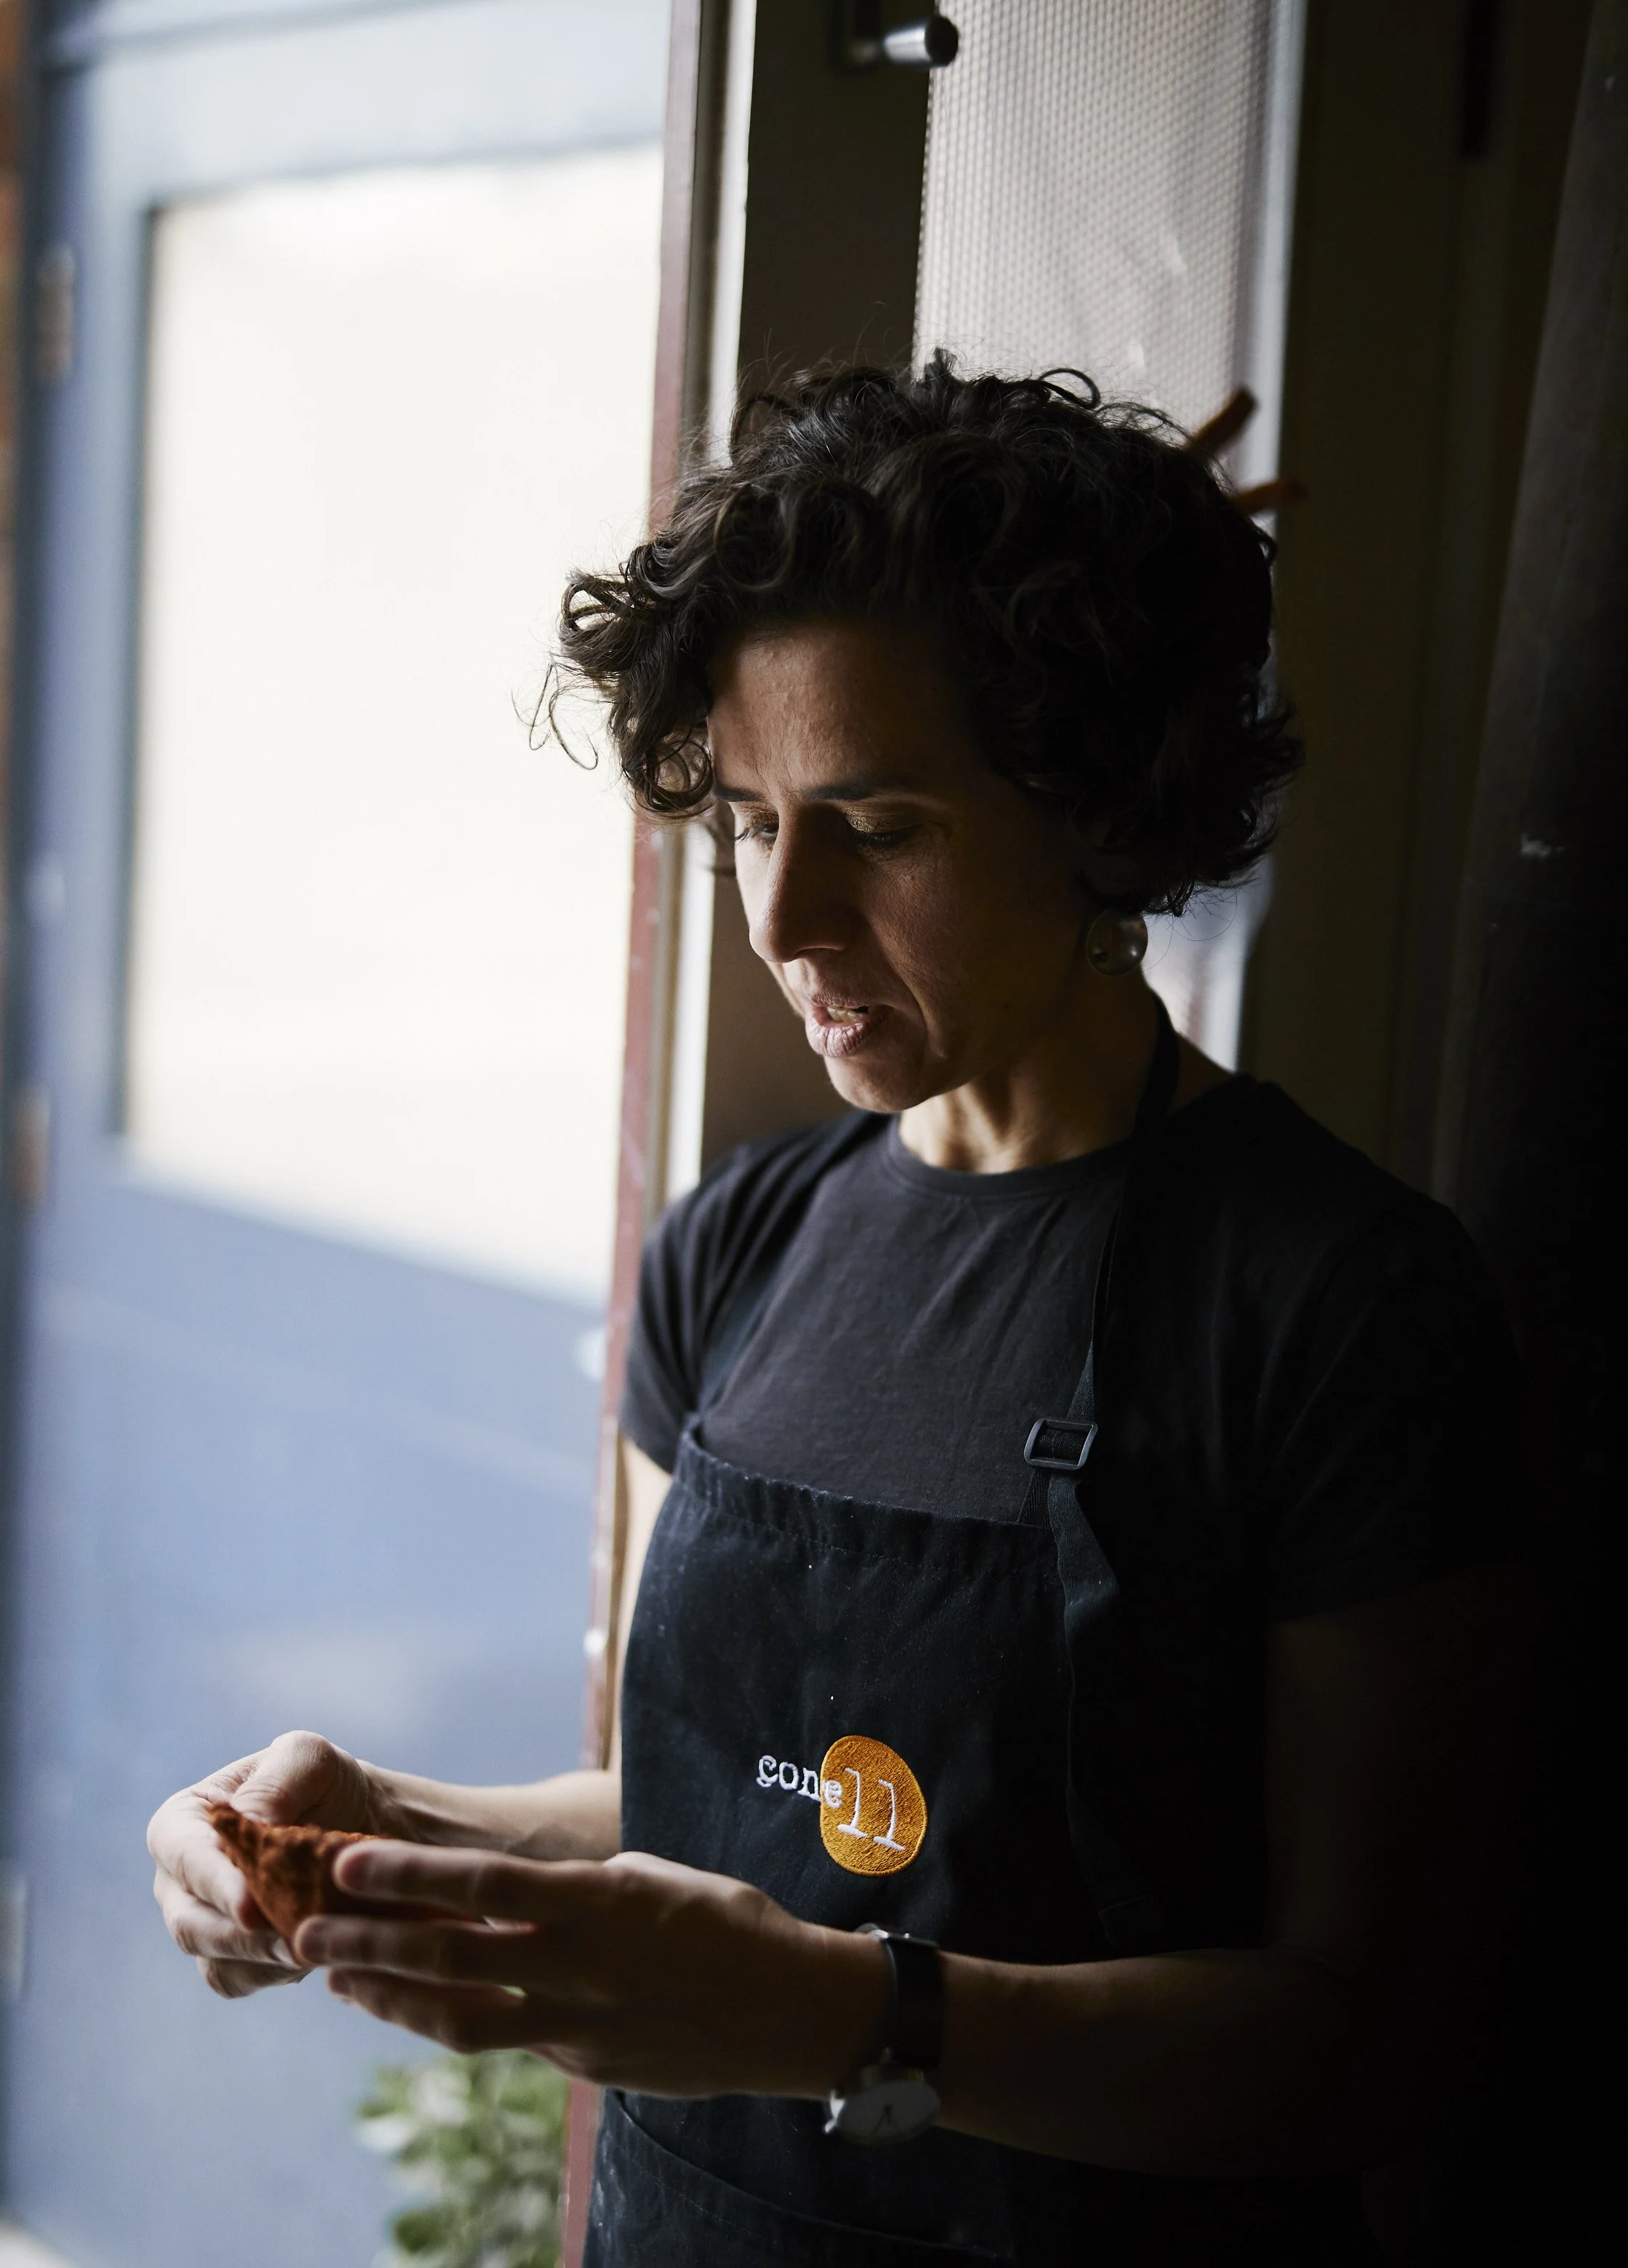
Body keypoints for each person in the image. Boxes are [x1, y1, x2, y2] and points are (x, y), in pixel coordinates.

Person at [150, 361, 1526, 2264]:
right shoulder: (742, 1249)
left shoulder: (1333, 1306)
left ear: (1100, 811)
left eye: (877, 826)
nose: (786, 919)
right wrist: (368, 1825)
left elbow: (1378, 2048)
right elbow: (711, 1809)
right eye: (745, 820)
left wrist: (857, 2020)